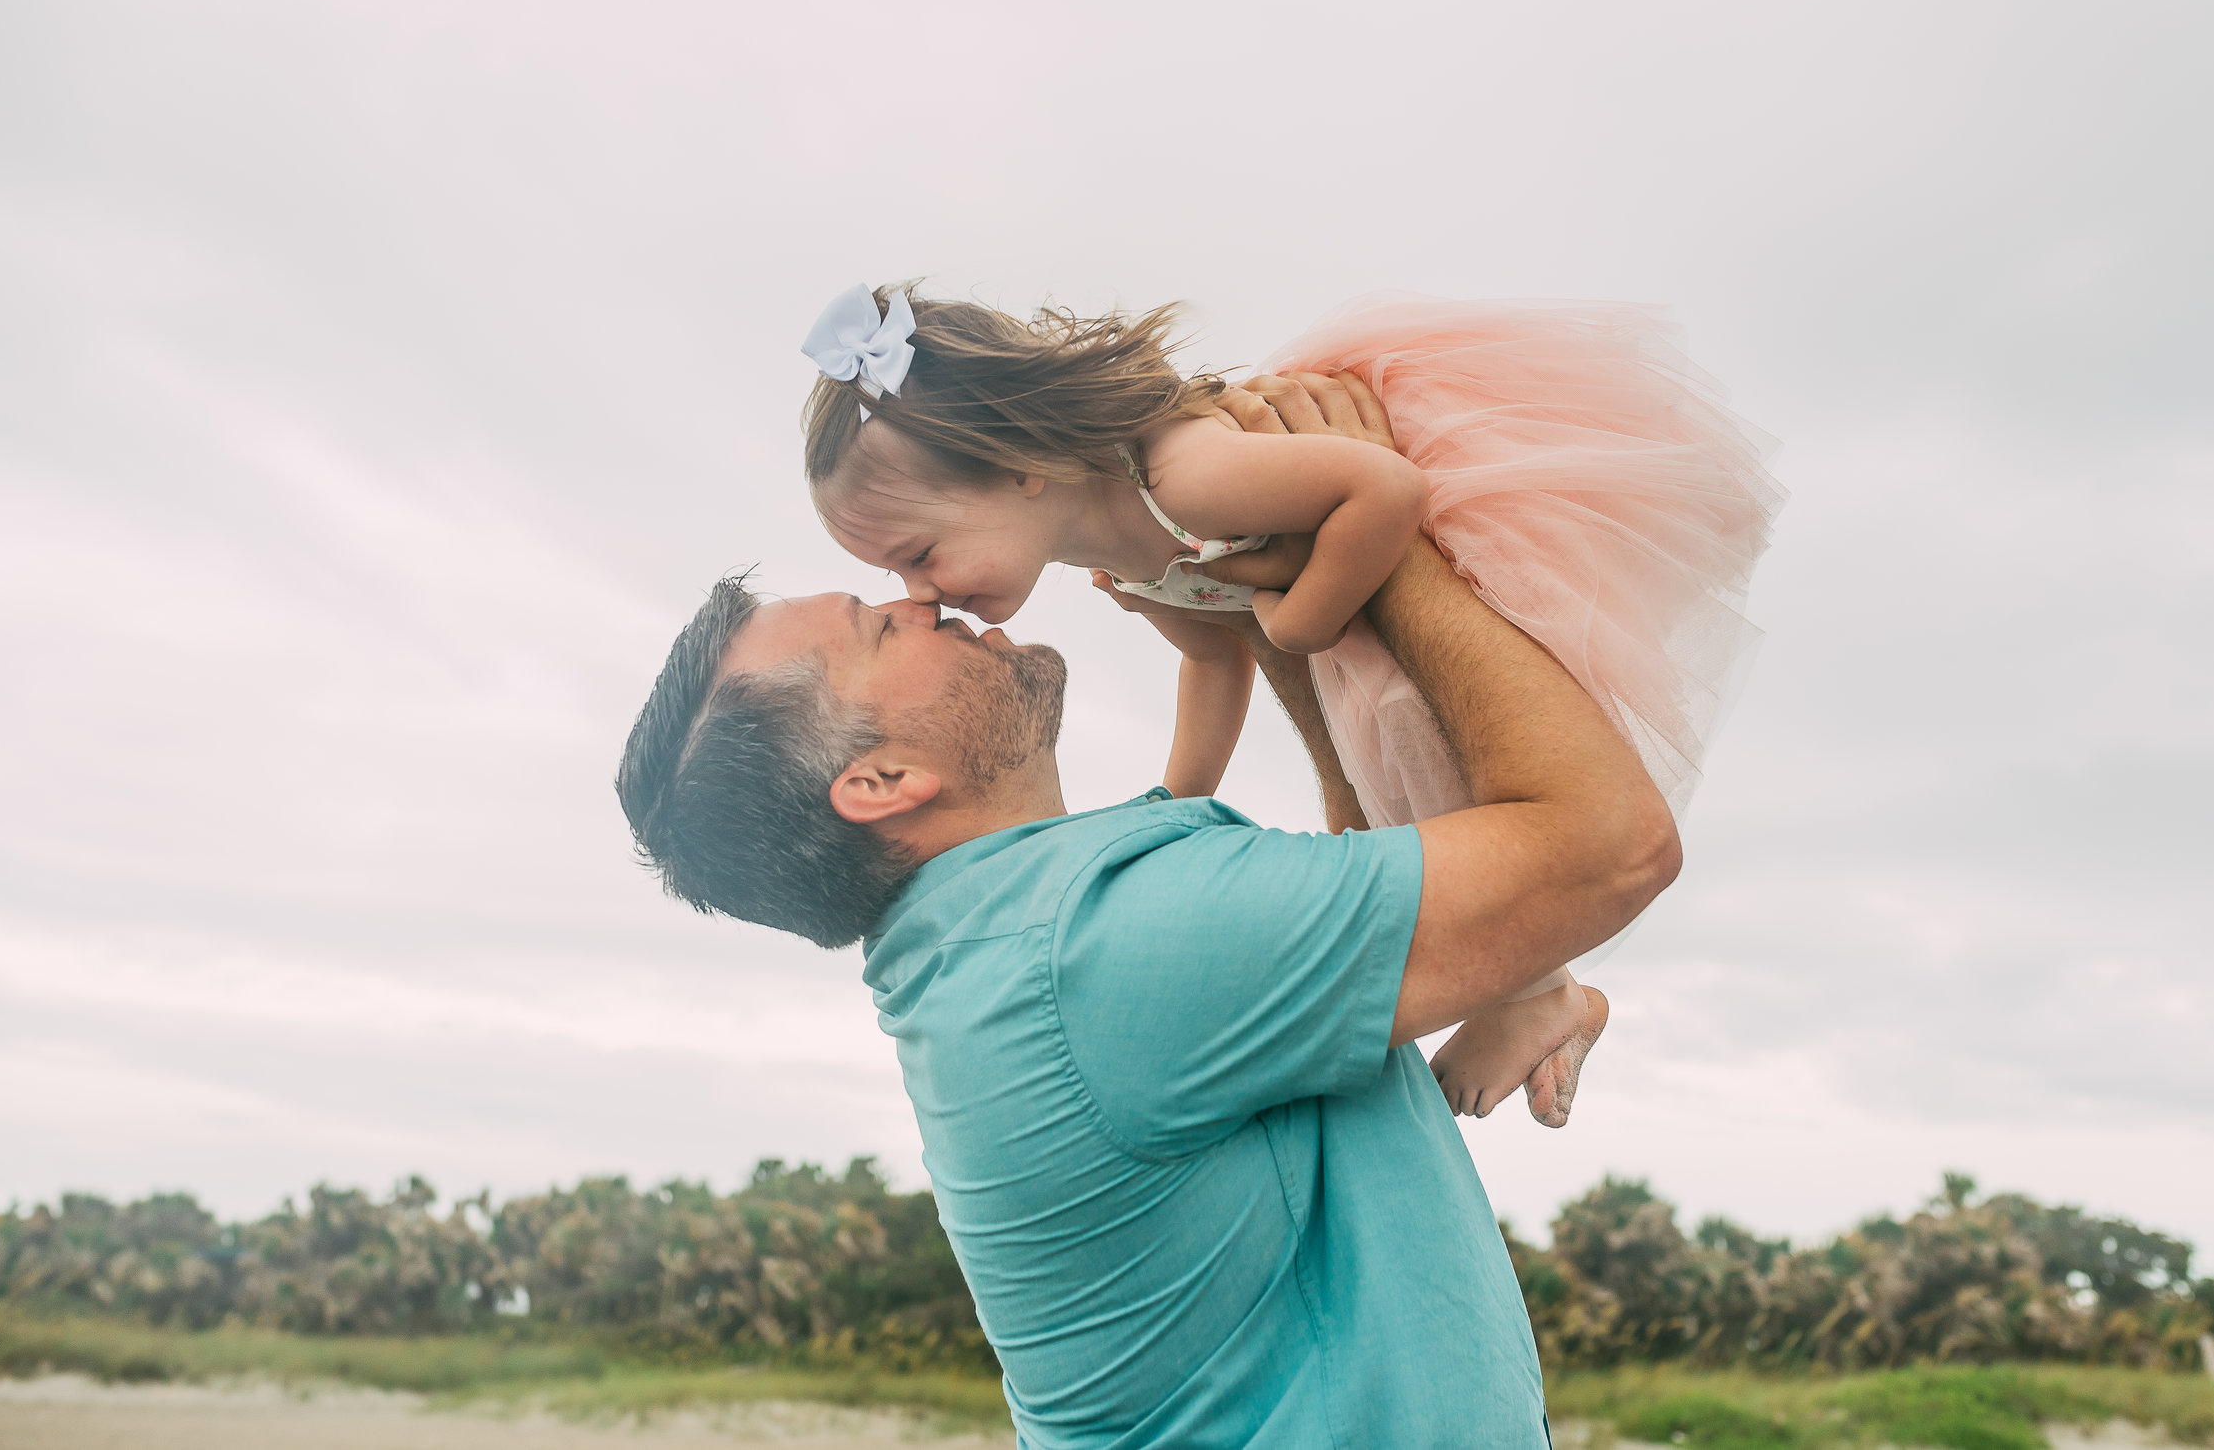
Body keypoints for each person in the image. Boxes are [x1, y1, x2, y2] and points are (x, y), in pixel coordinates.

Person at [615, 374, 1681, 1449]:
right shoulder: (1097, 952)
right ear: (884, 781)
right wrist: (1393, 548)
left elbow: (1384, 873)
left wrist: (1271, 605)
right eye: (878, 629)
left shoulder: (1010, 953)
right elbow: (1612, 845)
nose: (918, 600)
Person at [794, 283, 1783, 1124]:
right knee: (1379, 786)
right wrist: (1175, 798)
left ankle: (1537, 992)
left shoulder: (1187, 476)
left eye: (916, 555)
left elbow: (1383, 489)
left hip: (1442, 527)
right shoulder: (1115, 562)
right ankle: (1538, 989)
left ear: (1018, 466)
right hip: (1350, 605)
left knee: (1421, 750)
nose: (918, 596)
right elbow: (1215, 658)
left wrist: (1304, 621)